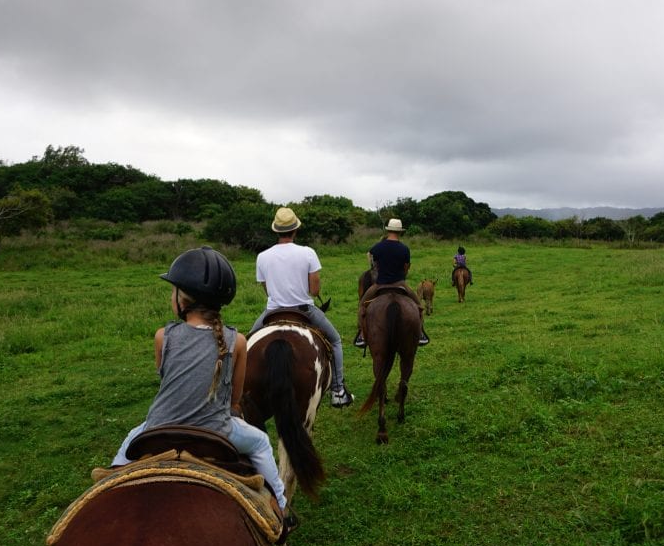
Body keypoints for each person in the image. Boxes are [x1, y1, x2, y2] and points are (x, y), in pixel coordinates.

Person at [108, 246, 291, 520]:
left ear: (183, 300)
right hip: (216, 431)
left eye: (174, 292)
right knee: (261, 442)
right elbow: (234, 400)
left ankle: (108, 491)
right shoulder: (237, 341)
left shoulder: (163, 336)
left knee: (120, 461)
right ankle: (281, 504)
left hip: (159, 427)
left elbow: (166, 379)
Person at [249, 207, 353, 408]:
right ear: (295, 230)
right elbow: (314, 291)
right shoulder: (308, 253)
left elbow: (268, 290)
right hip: (304, 309)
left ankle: (236, 394)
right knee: (336, 340)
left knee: (246, 344)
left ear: (276, 231)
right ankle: (338, 390)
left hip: (273, 311)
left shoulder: (262, 256)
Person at [354, 218, 430, 347]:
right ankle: (420, 332)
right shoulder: (405, 249)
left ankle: (361, 334)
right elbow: (406, 269)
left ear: (388, 230)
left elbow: (373, 263)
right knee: (419, 307)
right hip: (400, 284)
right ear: (400, 232)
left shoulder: (377, 247)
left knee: (362, 306)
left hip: (379, 284)